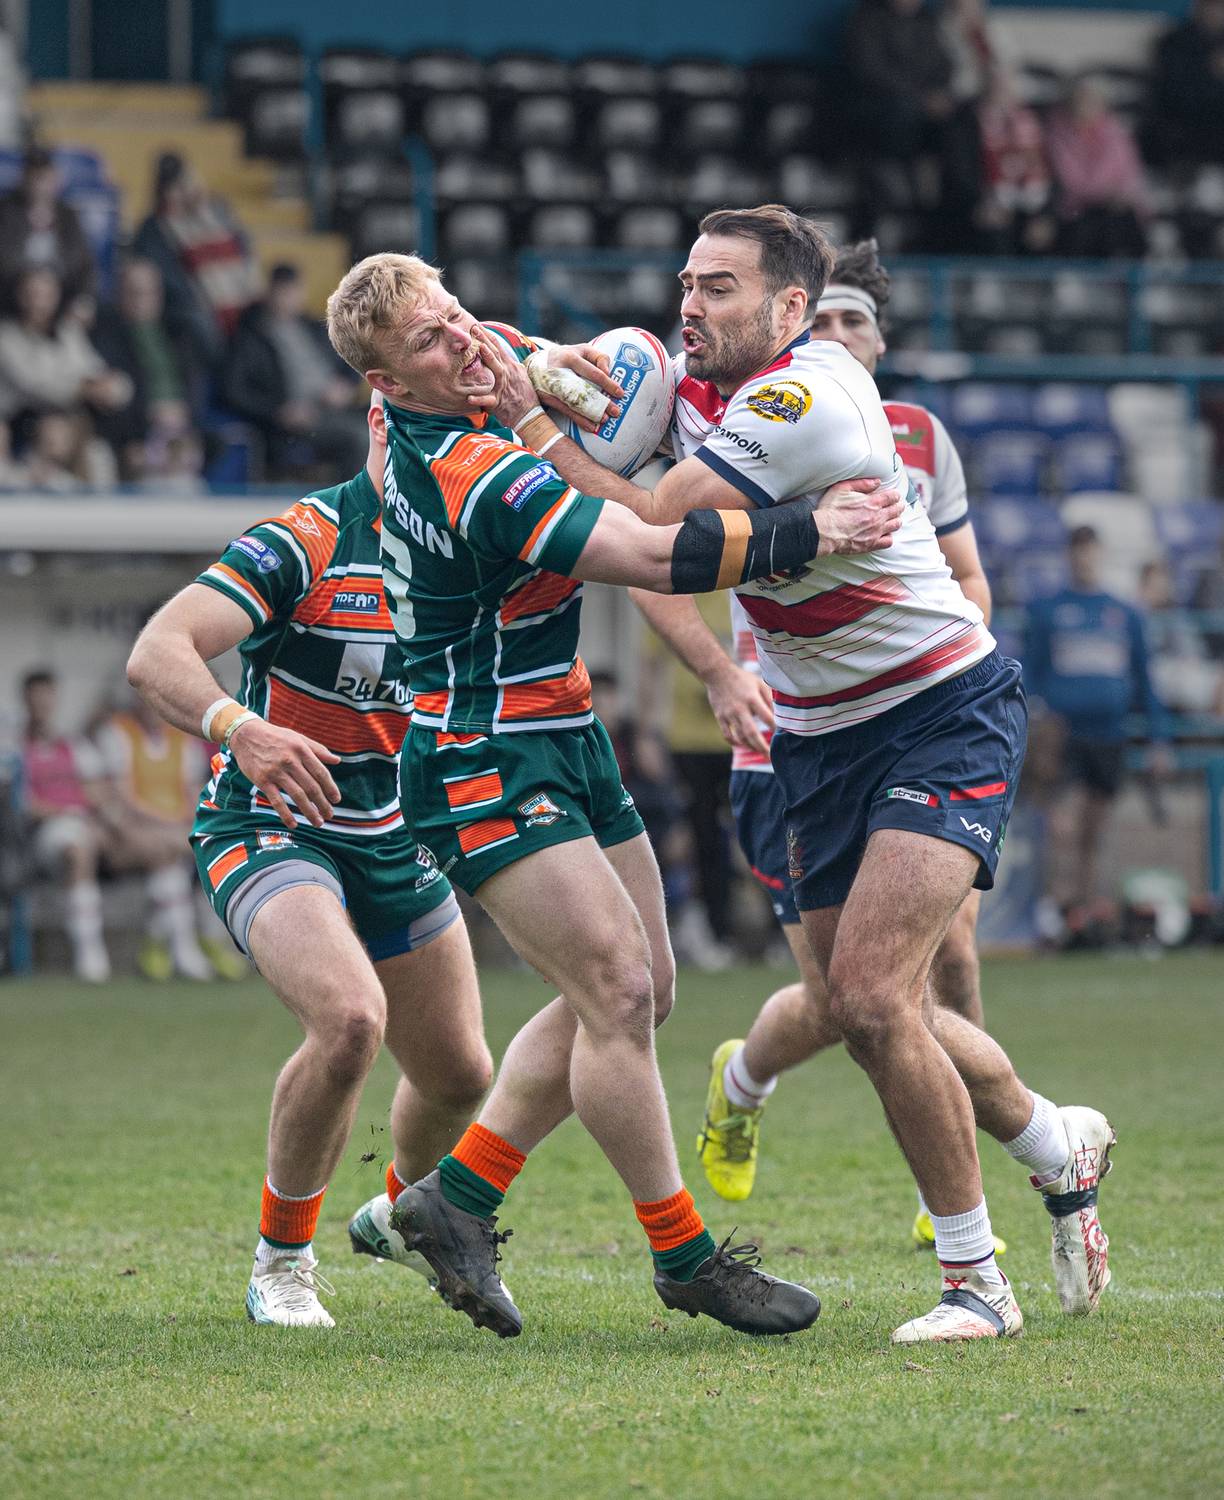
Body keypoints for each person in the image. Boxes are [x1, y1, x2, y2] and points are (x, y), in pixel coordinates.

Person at [532, 206, 1116, 1343]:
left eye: (722, 289)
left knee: (870, 996)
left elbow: (658, 518)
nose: (692, 305)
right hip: (813, 739)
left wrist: (530, 419)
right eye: (687, 284)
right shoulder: (688, 381)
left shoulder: (811, 394)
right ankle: (1056, 1142)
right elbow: (615, 405)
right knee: (860, 1008)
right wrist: (544, 366)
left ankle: (974, 1284)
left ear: (790, 312)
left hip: (938, 710)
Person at [324, 250, 901, 1339]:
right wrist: (808, 532)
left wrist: (536, 356)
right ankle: (684, 1257)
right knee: (619, 991)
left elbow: (468, 338)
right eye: (433, 344)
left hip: (557, 723)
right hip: (479, 748)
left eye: (458, 314)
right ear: (388, 386)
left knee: (642, 990)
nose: (464, 342)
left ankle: (458, 1195)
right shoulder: (471, 470)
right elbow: (643, 549)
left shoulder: (426, 386)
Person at [632, 239, 1008, 1255]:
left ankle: (985, 1191)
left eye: (852, 322)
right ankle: (747, 1077)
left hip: (923, 711)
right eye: (825, 319)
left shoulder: (904, 430)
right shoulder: (718, 403)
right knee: (853, 998)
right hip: (788, 735)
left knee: (914, 979)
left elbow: (969, 576)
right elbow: (645, 552)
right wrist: (719, 669)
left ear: (873, 342)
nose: (835, 337)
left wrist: (957, 641)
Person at [126, 393, 494, 1328]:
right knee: (348, 1020)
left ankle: (404, 1208)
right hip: (270, 821)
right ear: (379, 427)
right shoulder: (306, 537)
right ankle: (281, 1264)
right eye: (427, 434)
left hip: (395, 833)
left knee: (460, 1077)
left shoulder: (475, 544)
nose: (449, 455)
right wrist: (239, 728)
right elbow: (157, 650)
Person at [1025, 525, 1170, 925]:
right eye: (1078, 552)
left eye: (1091, 552)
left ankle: (1084, 914)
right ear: (1069, 557)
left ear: (1100, 555)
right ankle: (1055, 907)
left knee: (1095, 827)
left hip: (1109, 735)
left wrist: (1159, 739)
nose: (1084, 560)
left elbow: (1145, 680)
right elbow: (1031, 673)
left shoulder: (1123, 614)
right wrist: (1035, 719)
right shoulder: (1048, 611)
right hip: (1063, 734)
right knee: (1062, 825)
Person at [221, 263, 365, 481]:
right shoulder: (251, 336)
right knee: (361, 438)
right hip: (300, 419)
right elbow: (235, 390)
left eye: (294, 291)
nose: (289, 299)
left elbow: (353, 360)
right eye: (283, 292)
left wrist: (345, 385)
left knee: (396, 424)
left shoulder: (314, 327)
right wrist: (278, 411)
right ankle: (357, 510)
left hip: (337, 408)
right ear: (270, 293)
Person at [19, 668, 112, 981]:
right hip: (40, 836)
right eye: (36, 699)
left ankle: (173, 949)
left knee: (160, 849)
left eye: (47, 697)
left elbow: (99, 790)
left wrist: (84, 808)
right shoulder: (16, 747)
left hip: (81, 824)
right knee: (76, 847)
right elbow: (25, 805)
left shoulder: (72, 744)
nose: (42, 704)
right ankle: (89, 949)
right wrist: (67, 809)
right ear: (26, 701)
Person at [133, 152, 259, 366]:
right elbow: (172, 285)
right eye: (177, 185)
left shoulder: (218, 212)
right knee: (198, 323)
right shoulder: (154, 228)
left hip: (239, 307)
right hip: (196, 313)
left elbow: (246, 255)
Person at [90, 257, 205, 481]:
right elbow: (109, 398)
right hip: (136, 436)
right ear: (119, 293)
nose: (141, 301)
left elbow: (195, 383)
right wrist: (149, 416)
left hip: (182, 434)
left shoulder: (177, 334)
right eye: (133, 292)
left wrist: (184, 413)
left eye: (148, 293)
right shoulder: (105, 335)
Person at [0, 266, 132, 427]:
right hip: (23, 424)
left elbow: (94, 367)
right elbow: (36, 385)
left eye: (46, 295)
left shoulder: (68, 330)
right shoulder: (6, 336)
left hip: (72, 423)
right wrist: (83, 389)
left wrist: (111, 387)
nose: (39, 303)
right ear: (19, 296)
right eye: (32, 294)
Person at [1045, 76, 1150, 259]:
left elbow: (1131, 174)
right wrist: (1107, 193)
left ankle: (1133, 276)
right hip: (1076, 207)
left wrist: (1122, 195)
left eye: (1094, 101)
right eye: (1082, 99)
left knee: (1126, 218)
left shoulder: (1116, 132)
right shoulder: (1057, 133)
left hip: (1116, 206)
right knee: (1099, 221)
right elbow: (1071, 181)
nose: (1087, 105)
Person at [0, 147, 96, 315]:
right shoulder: (6, 212)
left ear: (56, 180)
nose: (39, 184)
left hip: (62, 300)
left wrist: (84, 300)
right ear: (24, 179)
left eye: (44, 177)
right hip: (13, 299)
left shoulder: (68, 216)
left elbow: (84, 265)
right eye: (34, 177)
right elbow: (5, 261)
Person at [1142, 0, 1224, 169]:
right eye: (1211, 6)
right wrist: (1209, 72)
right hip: (1184, 119)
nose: (1216, 12)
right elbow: (1172, 91)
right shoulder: (1174, 42)